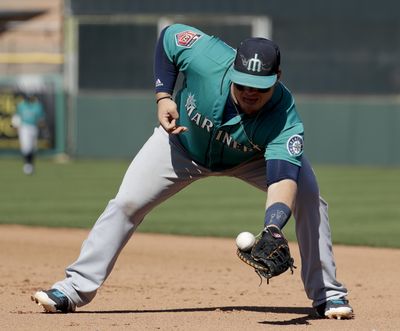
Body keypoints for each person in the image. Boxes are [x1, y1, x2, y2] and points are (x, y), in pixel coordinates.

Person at [31, 24, 353, 319]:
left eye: (260, 86)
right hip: (180, 144)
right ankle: (72, 289)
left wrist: (272, 228)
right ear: (232, 69)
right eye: (243, 83)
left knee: (310, 198)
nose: (250, 92)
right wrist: (163, 95)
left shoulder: (285, 118)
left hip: (251, 158)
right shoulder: (206, 57)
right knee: (127, 203)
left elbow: (283, 177)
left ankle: (328, 295)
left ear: (278, 77)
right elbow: (169, 37)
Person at [13, 93, 46, 175]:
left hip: (34, 128)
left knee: (33, 148)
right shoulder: (21, 106)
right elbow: (17, 117)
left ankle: (31, 165)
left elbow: (41, 119)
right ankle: (27, 165)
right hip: (24, 128)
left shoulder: (37, 106)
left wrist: (42, 126)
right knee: (26, 147)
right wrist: (16, 126)